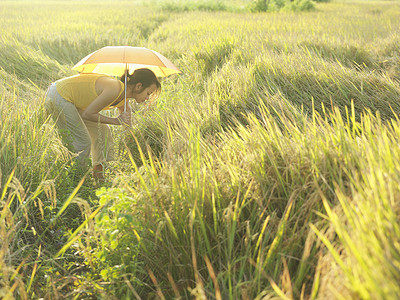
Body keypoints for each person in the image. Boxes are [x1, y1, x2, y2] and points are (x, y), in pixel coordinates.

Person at [44, 68, 161, 182]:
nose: (147, 98)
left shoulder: (124, 99)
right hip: (59, 95)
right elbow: (88, 114)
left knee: (103, 131)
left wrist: (136, 145)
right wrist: (116, 121)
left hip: (69, 99)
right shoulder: (114, 89)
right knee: (83, 142)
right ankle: (77, 180)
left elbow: (128, 129)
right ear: (138, 86)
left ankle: (99, 174)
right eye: (148, 93)